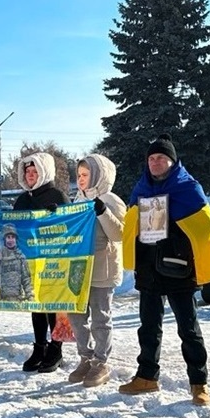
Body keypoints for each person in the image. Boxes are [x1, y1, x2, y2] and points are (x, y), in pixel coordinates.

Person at [117, 134, 210, 406]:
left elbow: (204, 229)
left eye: (161, 158)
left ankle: (199, 383)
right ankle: (147, 376)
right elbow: (131, 224)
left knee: (188, 329)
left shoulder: (188, 188)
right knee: (148, 327)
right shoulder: (141, 188)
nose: (155, 162)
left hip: (179, 268)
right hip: (149, 268)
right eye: (151, 158)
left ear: (172, 161)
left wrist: (172, 223)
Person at [65, 153, 126, 387]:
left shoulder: (111, 200)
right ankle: (85, 357)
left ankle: (101, 362)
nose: (81, 179)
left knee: (100, 318)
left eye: (86, 174)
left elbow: (119, 234)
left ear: (99, 175)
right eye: (79, 175)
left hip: (102, 269)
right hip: (78, 270)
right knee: (76, 317)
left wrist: (103, 212)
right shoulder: (77, 201)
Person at [12, 152, 69, 373]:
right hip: (31, 260)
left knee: (53, 305)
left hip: (54, 260)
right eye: (27, 171)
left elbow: (71, 227)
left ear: (44, 171)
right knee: (36, 305)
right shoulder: (22, 200)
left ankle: (56, 347)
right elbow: (13, 227)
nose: (30, 175)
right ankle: (39, 346)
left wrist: (57, 216)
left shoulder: (58, 195)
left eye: (35, 171)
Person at [0, 223, 34, 300]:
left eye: (13, 237)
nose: (11, 240)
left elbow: (26, 280)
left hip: (17, 301)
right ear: (5, 239)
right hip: (3, 301)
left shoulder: (20, 257)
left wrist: (30, 297)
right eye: (8, 237)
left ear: (16, 239)